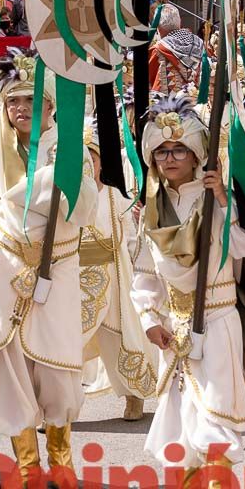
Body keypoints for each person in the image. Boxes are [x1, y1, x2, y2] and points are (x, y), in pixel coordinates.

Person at [0, 49, 97, 489]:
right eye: (13, 101)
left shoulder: (70, 147)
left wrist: (66, 174)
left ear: (50, 106)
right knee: (8, 365)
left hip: (56, 269)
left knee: (55, 368)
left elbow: (87, 208)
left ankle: (61, 458)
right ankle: (27, 464)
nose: (21, 109)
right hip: (5, 267)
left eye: (32, 101)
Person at [134, 94, 245, 489]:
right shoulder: (151, 207)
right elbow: (144, 272)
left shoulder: (218, 196)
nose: (170, 158)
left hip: (220, 315)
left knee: (216, 403)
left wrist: (223, 205)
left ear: (196, 154)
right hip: (175, 322)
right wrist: (150, 319)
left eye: (179, 150)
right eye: (162, 151)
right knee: (177, 409)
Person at [77, 121, 157, 422]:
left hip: (112, 273)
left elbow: (132, 235)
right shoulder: (67, 195)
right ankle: (60, 405)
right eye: (81, 160)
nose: (87, 165)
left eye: (92, 159)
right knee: (68, 341)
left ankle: (133, 394)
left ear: (101, 161)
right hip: (74, 278)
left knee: (121, 335)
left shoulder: (114, 194)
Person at [149, 4, 203, 94]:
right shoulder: (200, 43)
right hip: (198, 105)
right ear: (180, 22)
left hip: (167, 105)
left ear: (158, 27)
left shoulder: (157, 51)